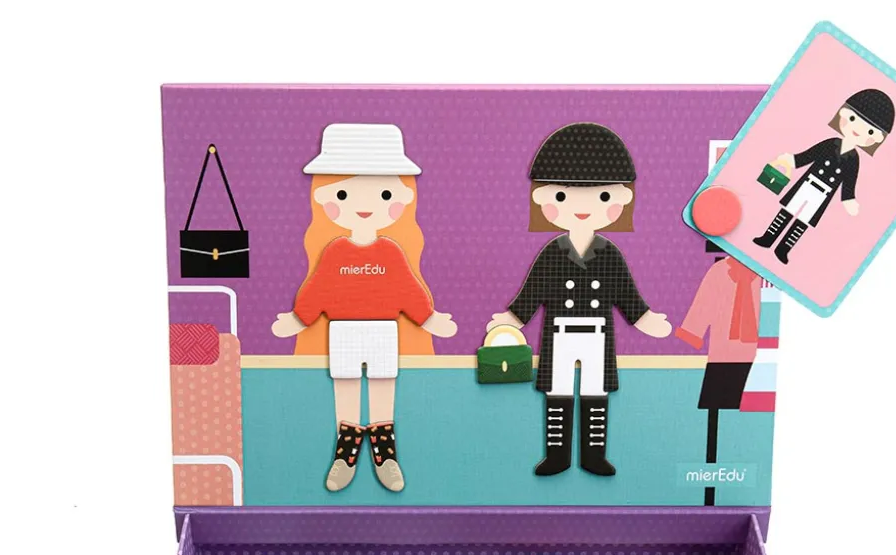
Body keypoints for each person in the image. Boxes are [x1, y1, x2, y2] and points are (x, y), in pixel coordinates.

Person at [271, 123, 457, 493]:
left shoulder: (390, 251)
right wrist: (298, 319)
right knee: (346, 391)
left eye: (383, 194)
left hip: (384, 331)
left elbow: (408, 289)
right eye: (345, 194)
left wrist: (429, 318)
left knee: (384, 390)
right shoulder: (335, 251)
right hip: (342, 331)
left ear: (398, 202)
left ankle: (386, 456)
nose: (365, 206)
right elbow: (318, 288)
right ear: (330, 202)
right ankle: (346, 455)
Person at [484, 123, 671, 477]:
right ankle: (557, 456)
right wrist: (514, 318)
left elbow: (626, 292)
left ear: (617, 202)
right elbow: (533, 290)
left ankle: (593, 456)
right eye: (563, 196)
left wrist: (644, 318)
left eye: (601, 197)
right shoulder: (552, 252)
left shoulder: (609, 253)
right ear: (546, 201)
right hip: (559, 332)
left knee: (595, 393)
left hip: (598, 333)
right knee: (557, 393)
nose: (582, 208)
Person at [753, 88, 895, 264]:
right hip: (807, 184)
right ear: (844, 114)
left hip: (823, 194)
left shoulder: (853, 159)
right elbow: (809, 156)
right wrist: (792, 160)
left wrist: (848, 199)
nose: (858, 130)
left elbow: (849, 182)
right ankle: (768, 238)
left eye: (870, 132)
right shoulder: (830, 143)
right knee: (787, 211)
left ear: (876, 138)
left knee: (803, 222)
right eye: (853, 119)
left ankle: (783, 248)